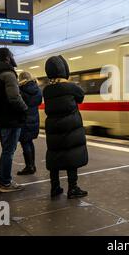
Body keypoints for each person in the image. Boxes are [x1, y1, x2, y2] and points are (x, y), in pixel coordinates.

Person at [43, 55, 88, 199]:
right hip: (70, 127)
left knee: (55, 155)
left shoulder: (47, 90)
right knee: (71, 156)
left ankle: (55, 188)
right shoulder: (71, 87)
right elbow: (81, 97)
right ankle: (73, 188)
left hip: (53, 128)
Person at [0, 47, 28, 192]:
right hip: (10, 119)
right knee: (8, 152)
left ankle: (2, 181)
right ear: (8, 57)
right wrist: (25, 109)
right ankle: (5, 182)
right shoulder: (8, 75)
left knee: (6, 150)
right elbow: (14, 98)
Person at [17, 71, 42, 175]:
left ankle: (29, 166)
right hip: (34, 119)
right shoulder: (37, 89)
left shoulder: (21, 90)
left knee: (25, 143)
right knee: (29, 142)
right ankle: (32, 165)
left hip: (24, 120)